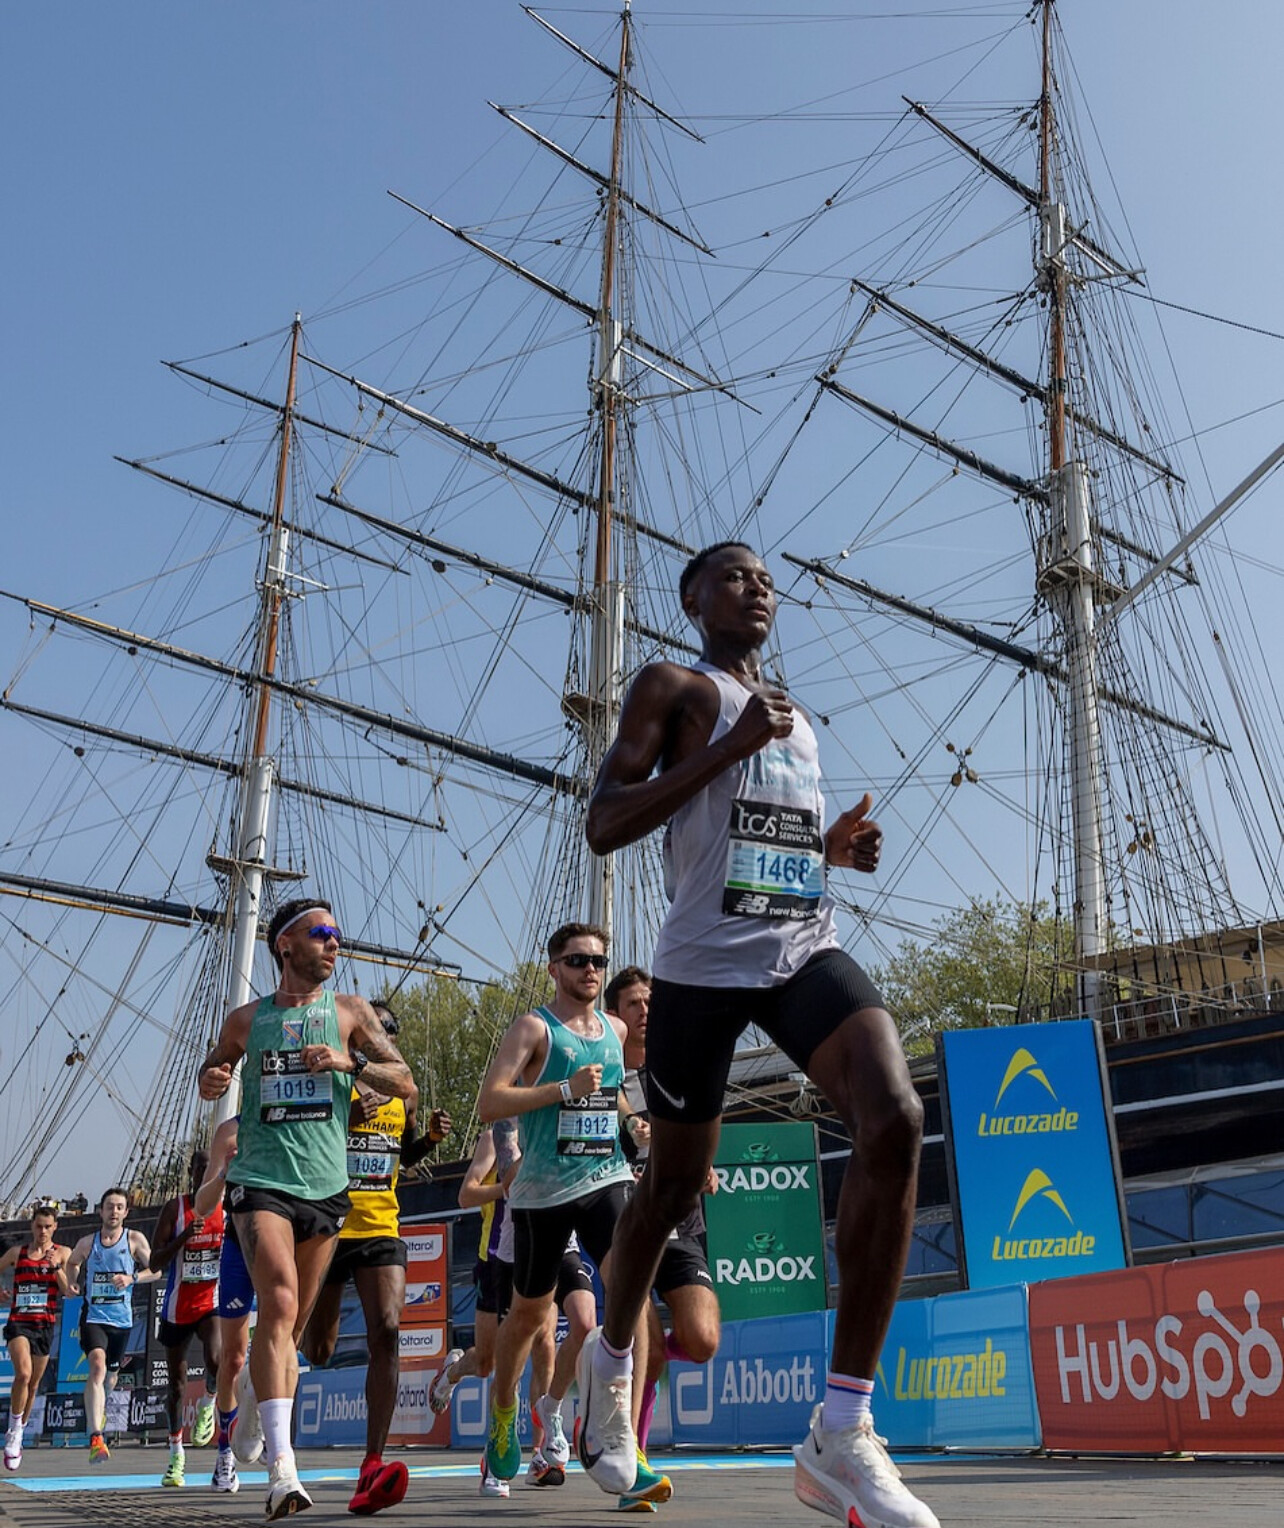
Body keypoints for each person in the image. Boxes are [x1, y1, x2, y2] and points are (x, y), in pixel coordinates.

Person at [583, 542, 936, 1528]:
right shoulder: (673, 685)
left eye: (766, 578)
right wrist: (727, 747)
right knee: (670, 1188)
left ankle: (842, 1431)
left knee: (896, 1117)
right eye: (734, 576)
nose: (757, 587)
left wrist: (829, 850)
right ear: (693, 598)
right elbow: (605, 822)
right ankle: (609, 1363)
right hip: (702, 965)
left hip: (799, 945)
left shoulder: (796, 715)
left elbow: (748, 841)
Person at [197, 897, 415, 1521]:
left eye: (337, 934)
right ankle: (283, 1473)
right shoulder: (248, 1019)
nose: (334, 942)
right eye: (321, 933)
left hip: (326, 1187)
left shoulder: (350, 1013)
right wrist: (213, 1079)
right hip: (261, 1181)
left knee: (292, 1336)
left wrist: (352, 1061)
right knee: (281, 1301)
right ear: (285, 945)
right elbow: (215, 1067)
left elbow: (405, 1081)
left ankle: (252, 1397)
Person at [474, 923, 667, 1508]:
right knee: (530, 1315)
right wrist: (562, 1089)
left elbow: (610, 1091)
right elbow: (490, 1102)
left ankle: (620, 1435)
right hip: (542, 1193)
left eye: (598, 962)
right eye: (578, 960)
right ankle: (504, 1412)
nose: (590, 970)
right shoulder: (534, 1028)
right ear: (554, 967)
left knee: (629, 1291)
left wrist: (630, 1121)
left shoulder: (613, 1029)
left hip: (604, 1178)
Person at [299, 1002, 451, 1516]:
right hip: (329, 1223)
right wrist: (344, 1121)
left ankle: (372, 1463)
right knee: (319, 1350)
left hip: (380, 1225)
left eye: (390, 1031)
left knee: (387, 1330)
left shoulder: (405, 1092)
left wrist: (429, 1139)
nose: (385, 1037)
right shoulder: (333, 1082)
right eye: (377, 1029)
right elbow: (301, 1145)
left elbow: (401, 1155)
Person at [605, 965, 721, 1471]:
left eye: (650, 1001)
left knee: (702, 1340)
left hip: (679, 1216)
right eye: (633, 1003)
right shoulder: (601, 1070)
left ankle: (615, 1357)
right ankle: (634, 1457)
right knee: (646, 1347)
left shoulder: (676, 1064)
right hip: (621, 1217)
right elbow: (603, 1115)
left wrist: (702, 1166)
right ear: (614, 1015)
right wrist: (628, 1123)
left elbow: (699, 1128)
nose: (645, 1010)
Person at [148, 1149, 225, 1487]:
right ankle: (176, 1454)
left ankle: (208, 1402)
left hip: (211, 1301)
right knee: (176, 1386)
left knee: (217, 1359)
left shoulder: (226, 1207)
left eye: (210, 1169)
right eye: (199, 1169)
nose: (204, 1175)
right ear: (191, 1172)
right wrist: (184, 1237)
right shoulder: (175, 1209)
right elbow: (154, 1262)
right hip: (178, 1306)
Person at [65, 1186, 158, 1464]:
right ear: (101, 1211)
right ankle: (96, 1437)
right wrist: (73, 1282)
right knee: (97, 1365)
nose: (114, 1212)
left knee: (111, 1376)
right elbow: (72, 1263)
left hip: (122, 1321)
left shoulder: (134, 1239)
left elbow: (156, 1270)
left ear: (126, 1212)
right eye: (109, 1207)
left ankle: (101, 1404)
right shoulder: (88, 1242)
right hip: (94, 1317)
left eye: (119, 1207)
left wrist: (132, 1278)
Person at [192, 1116, 253, 1495]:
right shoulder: (229, 1132)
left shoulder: (302, 1115)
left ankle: (274, 1437)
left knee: (288, 1346)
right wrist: (223, 1176)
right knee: (233, 1357)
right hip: (239, 1243)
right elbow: (201, 1205)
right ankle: (225, 1452)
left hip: (290, 1236)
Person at [0, 1202, 72, 1471]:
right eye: (39, 1226)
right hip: (19, 1322)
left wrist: (56, 1268)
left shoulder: (62, 1253)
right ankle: (13, 1430)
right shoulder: (17, 1253)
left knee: (33, 1385)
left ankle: (19, 1431)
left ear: (55, 1228)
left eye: (48, 1227)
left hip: (44, 1325)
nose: (43, 1231)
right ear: (32, 1226)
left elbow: (69, 1290)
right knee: (23, 1374)